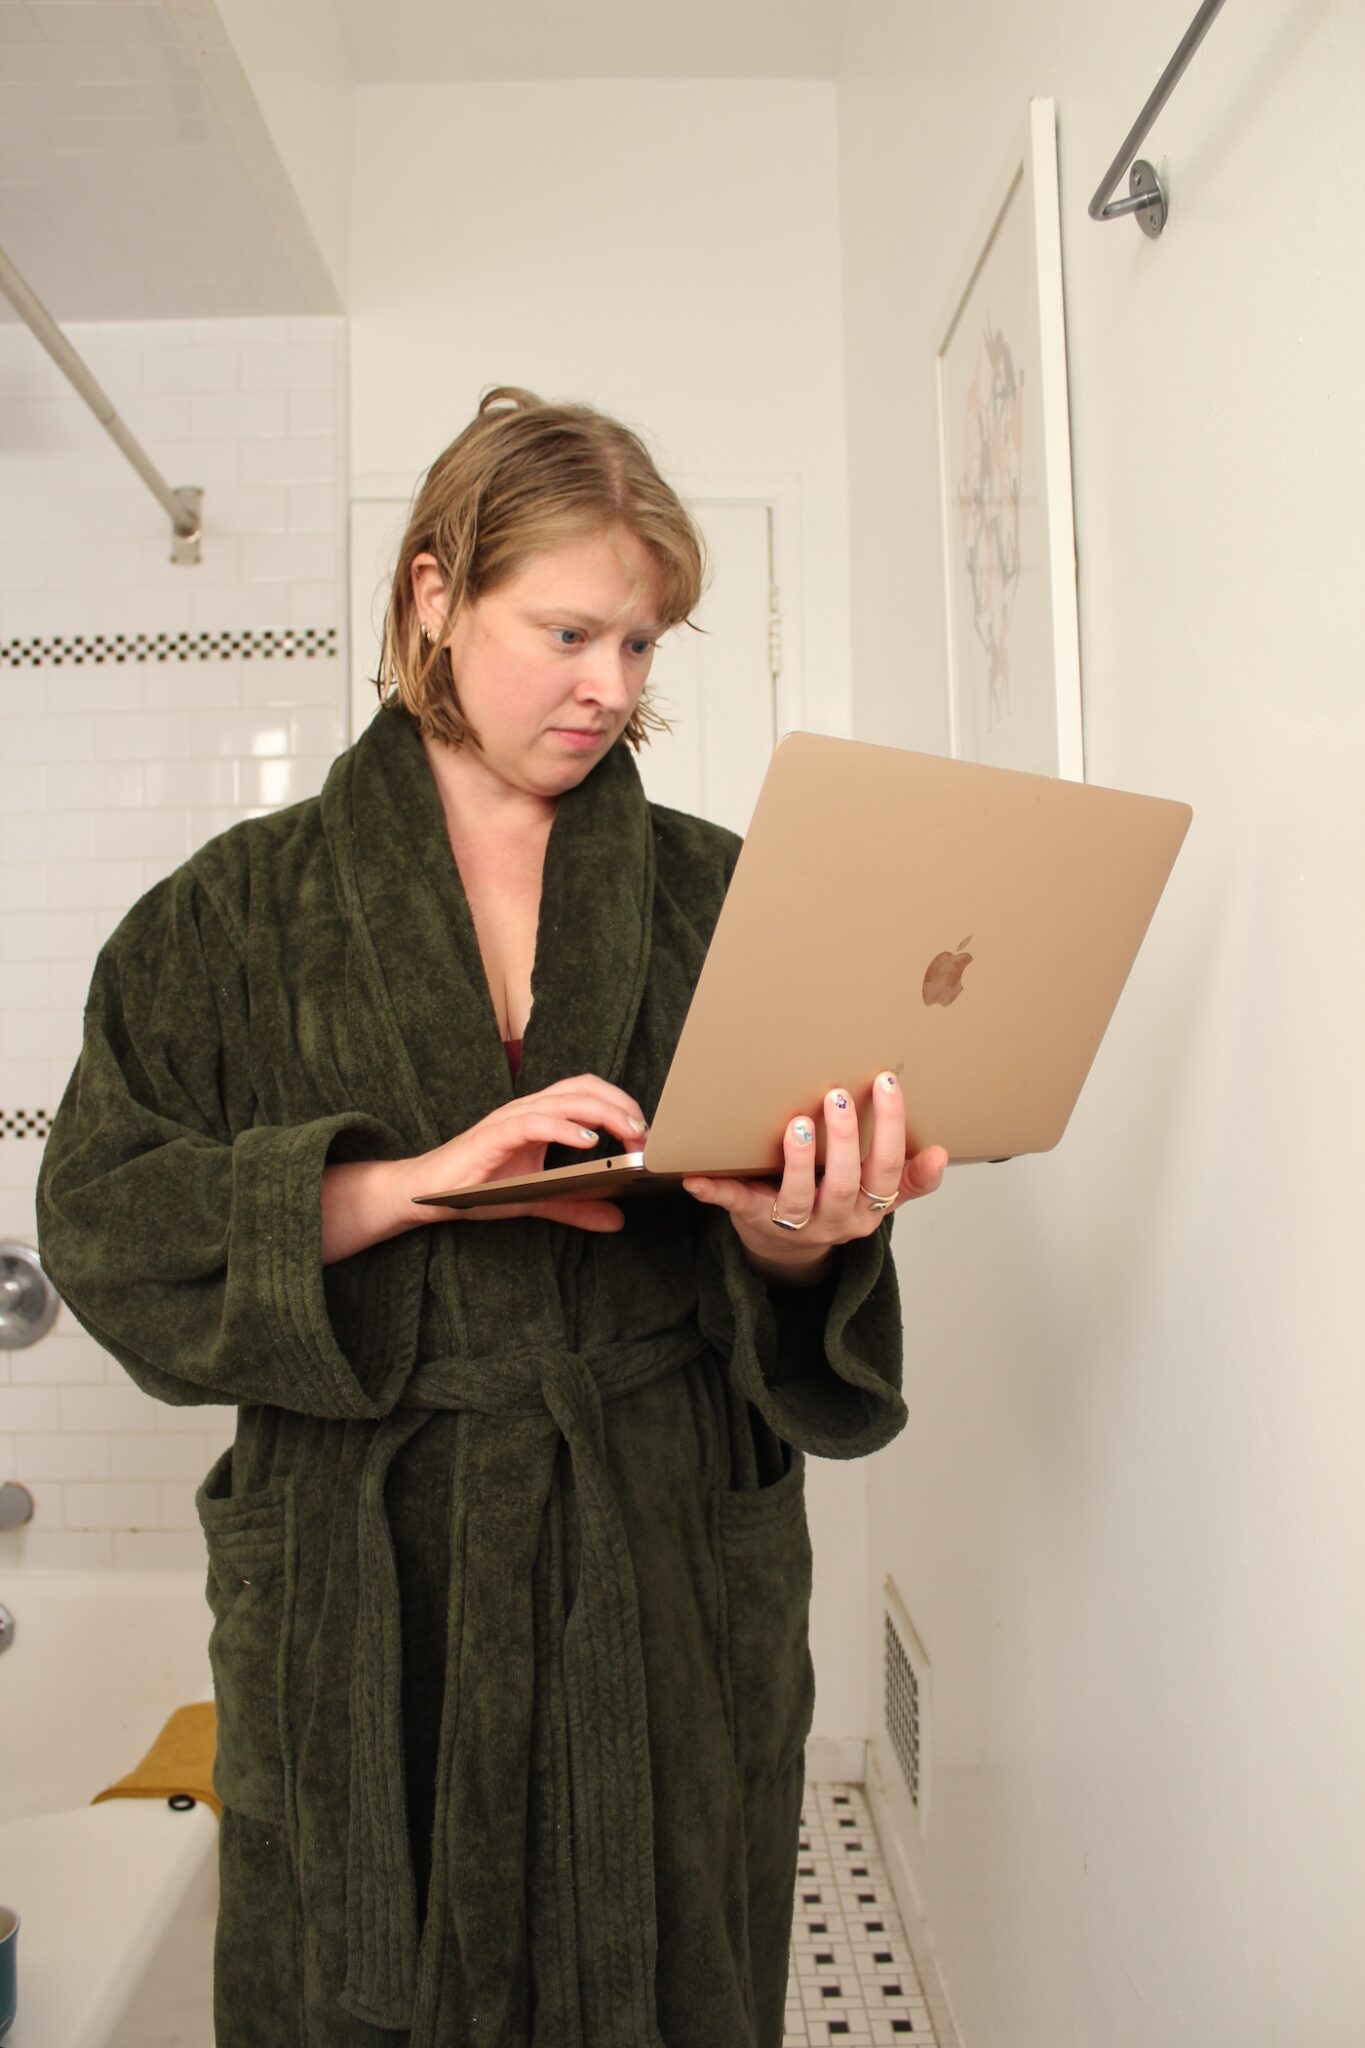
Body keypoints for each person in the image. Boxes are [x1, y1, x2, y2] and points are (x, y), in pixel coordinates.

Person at [37, 387, 947, 2048]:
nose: (611, 688)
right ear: (433, 595)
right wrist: (397, 1184)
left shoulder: (717, 893)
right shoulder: (231, 916)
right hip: (371, 1568)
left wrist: (801, 1232)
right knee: (355, 1987)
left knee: (673, 1973)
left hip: (656, 1552)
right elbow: (99, 1222)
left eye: (646, 645)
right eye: (569, 631)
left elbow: (777, 1256)